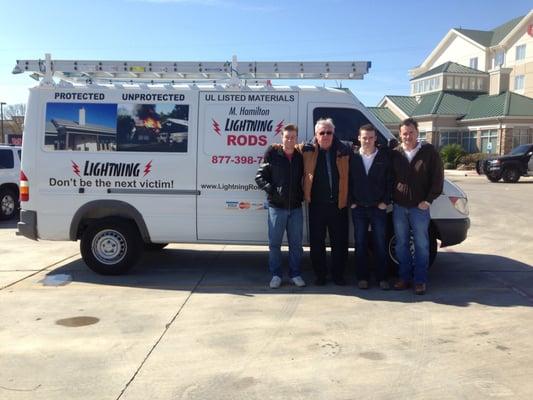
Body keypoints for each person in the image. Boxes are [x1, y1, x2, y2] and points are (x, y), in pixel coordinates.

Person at [391, 118, 444, 295]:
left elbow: (438, 179)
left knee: (421, 245)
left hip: (419, 208)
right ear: (400, 134)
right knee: (401, 245)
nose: (408, 136)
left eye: (411, 132)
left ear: (417, 132)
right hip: (399, 207)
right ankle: (404, 278)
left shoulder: (429, 152)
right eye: (404, 133)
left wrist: (428, 200)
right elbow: (389, 178)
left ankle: (420, 280)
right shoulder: (395, 153)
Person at [255, 124, 306, 289]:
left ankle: (295, 274)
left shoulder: (300, 156)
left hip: (296, 208)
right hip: (276, 207)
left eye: (293, 137)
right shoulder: (272, 154)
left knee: (296, 245)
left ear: (296, 138)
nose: (290, 140)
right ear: (282, 137)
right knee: (275, 244)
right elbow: (259, 177)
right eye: (287, 137)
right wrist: (272, 190)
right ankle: (276, 275)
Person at [301, 118, 350, 286]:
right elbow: (289, 148)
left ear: (333, 134)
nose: (326, 136)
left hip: (338, 205)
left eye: (329, 132)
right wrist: (274, 148)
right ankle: (320, 275)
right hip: (316, 205)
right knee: (317, 243)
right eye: (322, 133)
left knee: (340, 243)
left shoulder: (344, 150)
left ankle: (338, 275)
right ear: (316, 134)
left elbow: (366, 149)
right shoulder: (307, 150)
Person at [349, 124, 393, 290]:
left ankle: (382, 278)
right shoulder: (353, 158)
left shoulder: (383, 158)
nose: (367, 140)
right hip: (358, 208)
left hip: (377, 208)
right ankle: (362, 278)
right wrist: (351, 201)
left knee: (380, 243)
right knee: (360, 244)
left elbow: (390, 181)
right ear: (359, 138)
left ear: (376, 138)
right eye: (364, 137)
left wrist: (385, 202)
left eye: (370, 137)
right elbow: (347, 180)